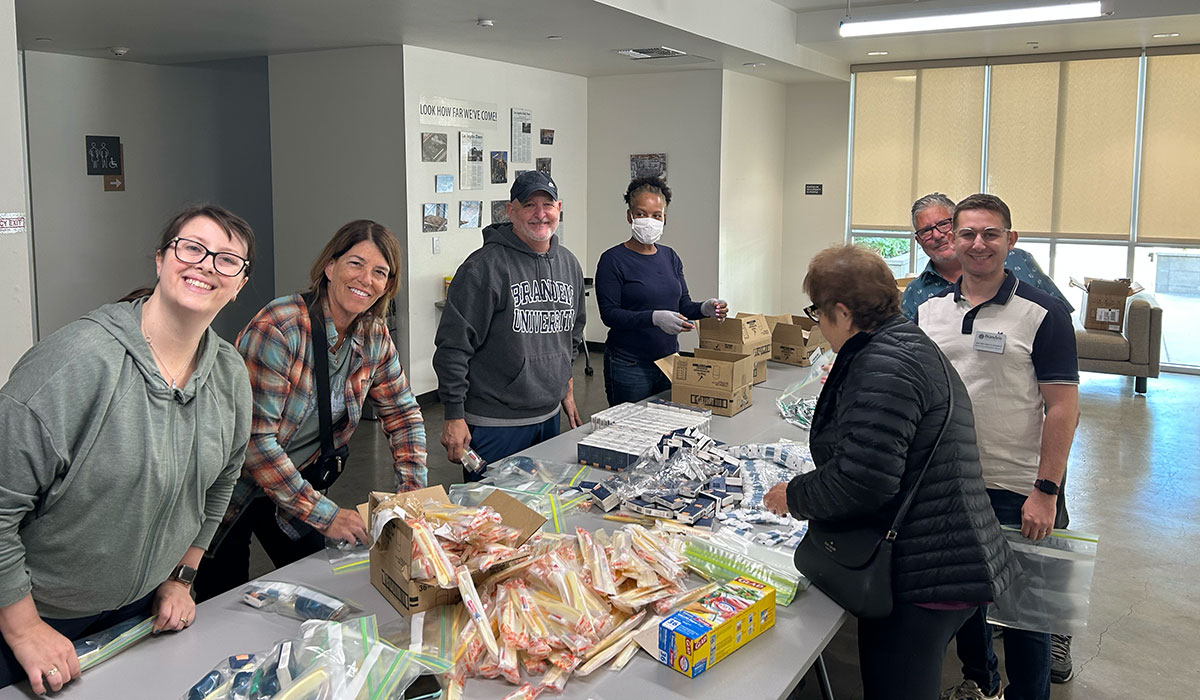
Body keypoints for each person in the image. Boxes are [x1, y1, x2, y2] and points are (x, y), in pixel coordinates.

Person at [0, 205, 256, 692]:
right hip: (34, 616)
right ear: (160, 260)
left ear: (239, 283)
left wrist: (181, 575)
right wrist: (23, 627)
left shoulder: (229, 374)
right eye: (192, 247)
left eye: (227, 259)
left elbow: (221, 484)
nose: (206, 265)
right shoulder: (76, 362)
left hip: (138, 618)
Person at [763, 244, 1014, 700]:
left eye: (817, 312)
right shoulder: (898, 343)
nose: (818, 324)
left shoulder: (885, 362)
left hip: (925, 570)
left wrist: (794, 496)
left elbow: (865, 480)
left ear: (841, 311)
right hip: (942, 550)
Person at [197, 220, 426, 601]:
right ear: (329, 267)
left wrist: (412, 499)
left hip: (294, 483)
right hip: (228, 488)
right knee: (220, 599)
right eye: (355, 263)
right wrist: (328, 515)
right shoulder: (280, 326)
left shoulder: (373, 335)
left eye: (380, 272)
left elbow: (403, 413)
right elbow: (255, 443)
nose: (365, 279)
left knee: (325, 588)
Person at [917, 194, 1080, 700]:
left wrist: (1047, 491)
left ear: (1011, 240)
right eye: (967, 234)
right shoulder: (928, 311)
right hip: (954, 483)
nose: (977, 244)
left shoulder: (1044, 313)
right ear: (952, 241)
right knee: (966, 601)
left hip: (1018, 487)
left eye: (990, 234)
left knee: (1026, 616)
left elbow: (1063, 408)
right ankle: (979, 681)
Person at [434, 171, 586, 481]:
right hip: (495, 423)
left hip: (548, 417)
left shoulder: (569, 264)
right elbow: (453, 346)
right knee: (493, 519)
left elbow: (572, 332)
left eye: (547, 205)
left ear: (560, 209)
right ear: (510, 210)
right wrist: (453, 415)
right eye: (529, 205)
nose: (540, 214)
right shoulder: (483, 267)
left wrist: (564, 388)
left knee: (542, 513)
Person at [594, 176, 727, 405]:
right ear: (629, 216)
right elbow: (610, 314)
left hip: (669, 362)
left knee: (665, 428)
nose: (649, 220)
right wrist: (654, 318)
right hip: (629, 365)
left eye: (656, 215)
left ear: (665, 218)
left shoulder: (670, 257)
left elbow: (683, 305)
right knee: (630, 431)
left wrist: (705, 308)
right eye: (641, 214)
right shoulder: (612, 260)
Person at [901, 192, 1072, 321]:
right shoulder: (916, 292)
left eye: (943, 224)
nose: (937, 235)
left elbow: (1059, 317)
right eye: (926, 231)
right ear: (918, 240)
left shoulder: (1019, 260)